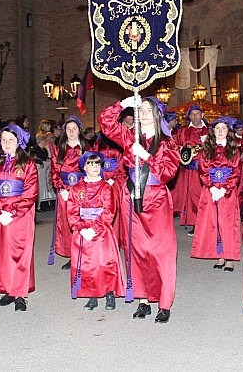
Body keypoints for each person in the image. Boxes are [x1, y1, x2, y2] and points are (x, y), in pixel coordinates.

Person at [98, 95, 179, 323]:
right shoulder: (129, 135)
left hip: (156, 198)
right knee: (137, 249)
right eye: (140, 109)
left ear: (156, 114)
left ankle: (164, 303)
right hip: (131, 196)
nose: (143, 114)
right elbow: (105, 122)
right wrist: (122, 105)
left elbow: (168, 173)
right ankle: (143, 299)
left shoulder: (167, 142)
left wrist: (147, 156)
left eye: (147, 110)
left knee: (161, 251)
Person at [0, 124, 38, 312]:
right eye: (3, 140)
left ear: (18, 141)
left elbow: (30, 192)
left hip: (19, 216)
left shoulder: (28, 164)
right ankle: (8, 290)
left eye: (11, 140)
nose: (6, 143)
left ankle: (20, 293)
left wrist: (12, 212)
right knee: (0, 253)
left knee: (20, 253)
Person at [67, 151, 124, 311]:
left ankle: (109, 293)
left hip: (102, 231)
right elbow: (72, 210)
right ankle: (91, 295)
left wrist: (95, 228)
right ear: (84, 167)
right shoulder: (76, 188)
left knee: (104, 263)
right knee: (87, 264)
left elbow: (109, 210)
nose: (94, 167)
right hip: (82, 231)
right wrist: (80, 228)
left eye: (97, 164)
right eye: (90, 164)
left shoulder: (106, 187)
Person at [191, 116, 241, 271]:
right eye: (217, 128)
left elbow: (236, 172)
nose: (220, 131)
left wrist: (224, 189)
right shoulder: (207, 149)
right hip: (211, 190)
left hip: (227, 191)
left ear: (228, 131)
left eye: (223, 128)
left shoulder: (234, 150)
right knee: (214, 222)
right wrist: (212, 187)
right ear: (213, 131)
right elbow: (203, 169)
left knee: (228, 223)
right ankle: (219, 255)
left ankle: (230, 257)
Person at [50, 115, 87, 269]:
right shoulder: (59, 151)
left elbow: (93, 170)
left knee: (84, 222)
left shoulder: (87, 150)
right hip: (65, 191)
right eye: (69, 129)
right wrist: (60, 187)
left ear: (79, 131)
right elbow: (54, 172)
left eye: (74, 129)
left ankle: (85, 255)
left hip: (83, 191)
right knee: (67, 224)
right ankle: (73, 256)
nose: (71, 132)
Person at [172, 105, 208, 234]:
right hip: (188, 169)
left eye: (197, 114)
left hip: (205, 168)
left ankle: (205, 222)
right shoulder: (183, 131)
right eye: (192, 114)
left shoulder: (209, 130)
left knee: (203, 196)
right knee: (191, 197)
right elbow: (176, 146)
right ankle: (195, 223)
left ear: (202, 115)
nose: (195, 116)